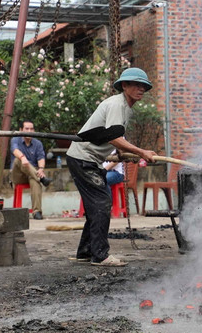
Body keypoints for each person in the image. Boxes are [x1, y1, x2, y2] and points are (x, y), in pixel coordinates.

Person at [66, 67, 156, 267]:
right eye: (136, 85)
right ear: (124, 86)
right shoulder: (117, 104)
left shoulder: (125, 108)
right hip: (83, 158)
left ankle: (86, 252)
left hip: (88, 159)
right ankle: (100, 255)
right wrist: (142, 152)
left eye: (143, 86)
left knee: (96, 205)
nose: (141, 89)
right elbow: (114, 138)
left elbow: (111, 136)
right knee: (101, 203)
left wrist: (124, 154)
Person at [10, 120, 51, 219]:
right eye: (27, 129)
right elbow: (15, 150)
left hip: (32, 174)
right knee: (18, 160)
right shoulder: (15, 140)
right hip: (18, 175)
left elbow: (41, 158)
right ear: (21, 130)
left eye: (31, 129)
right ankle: (41, 178)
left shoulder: (37, 143)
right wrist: (23, 157)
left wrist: (41, 169)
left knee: (35, 181)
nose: (29, 131)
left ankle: (37, 212)